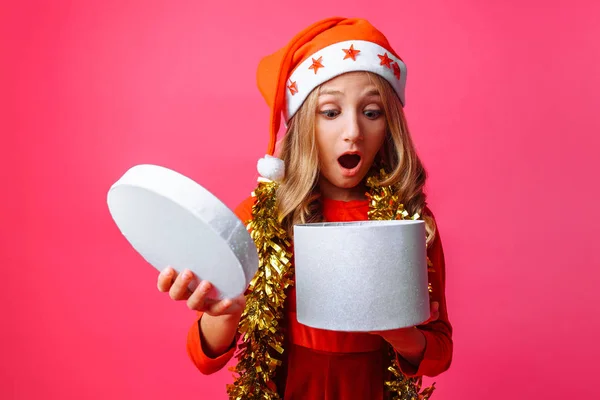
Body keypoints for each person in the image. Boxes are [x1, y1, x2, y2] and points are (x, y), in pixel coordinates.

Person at [157, 17, 452, 399]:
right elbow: (205, 357)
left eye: (372, 112)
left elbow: (440, 351)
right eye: (330, 113)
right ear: (302, 124)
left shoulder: (410, 223)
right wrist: (226, 314)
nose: (353, 132)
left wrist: (404, 335)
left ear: (389, 126)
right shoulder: (261, 218)